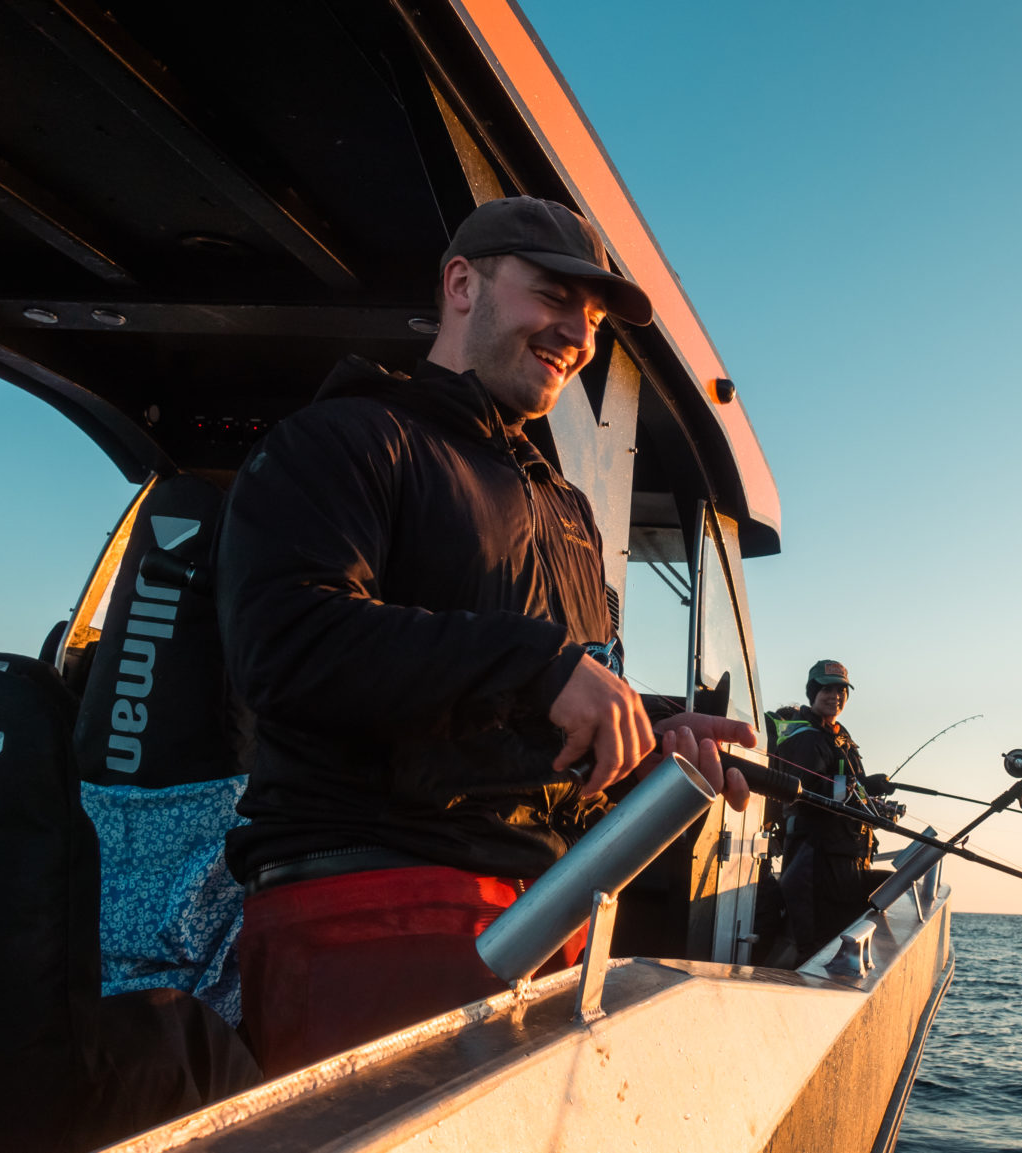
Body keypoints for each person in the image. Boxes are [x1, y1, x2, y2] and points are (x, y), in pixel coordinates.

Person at [215, 196, 753, 1075]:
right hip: (372, 914)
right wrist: (539, 667)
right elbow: (286, 641)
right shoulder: (348, 439)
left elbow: (545, 696)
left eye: (592, 319)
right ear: (463, 284)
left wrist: (648, 733)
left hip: (548, 920)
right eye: (553, 295)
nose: (577, 333)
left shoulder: (567, 510)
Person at [771, 660, 893, 959]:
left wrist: (869, 793)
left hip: (845, 858)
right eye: (827, 689)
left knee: (841, 928)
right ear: (813, 692)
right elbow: (804, 791)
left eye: (841, 690)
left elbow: (843, 786)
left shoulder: (839, 736)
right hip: (816, 858)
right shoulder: (807, 738)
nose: (835, 696)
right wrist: (860, 788)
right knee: (816, 943)